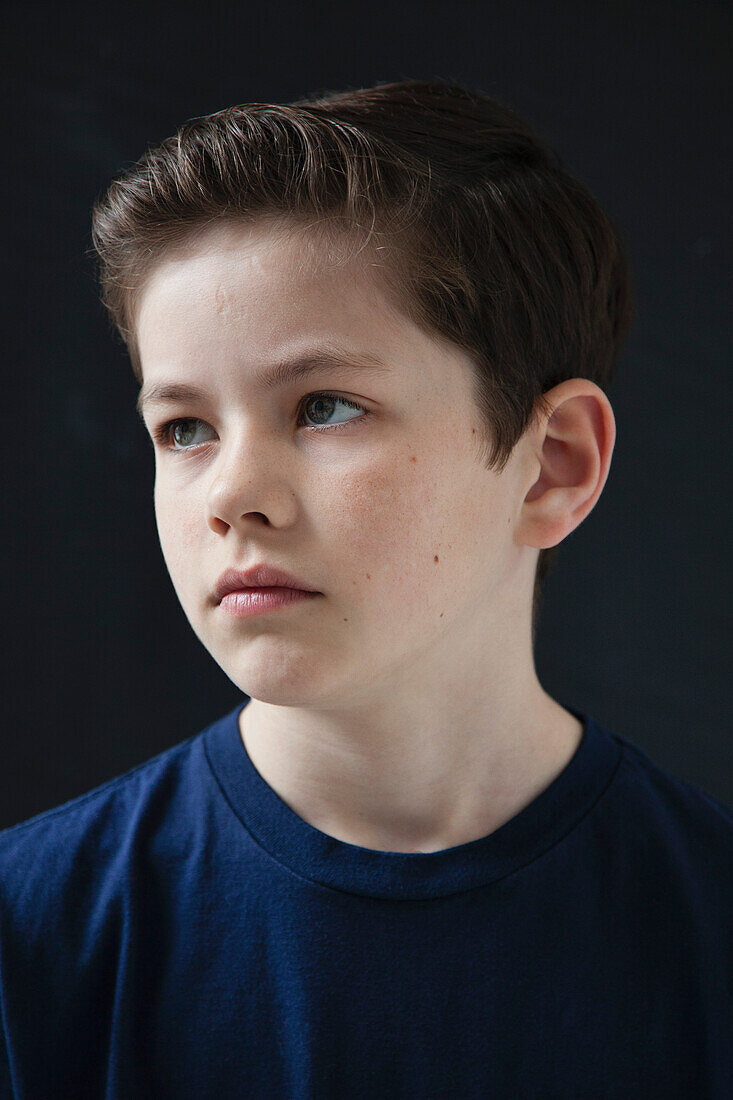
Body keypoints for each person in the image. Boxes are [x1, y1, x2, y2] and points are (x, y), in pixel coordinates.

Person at [1, 77, 730, 1098]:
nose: (232, 495)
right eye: (186, 428)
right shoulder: (30, 930)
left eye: (326, 405)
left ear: (553, 461)